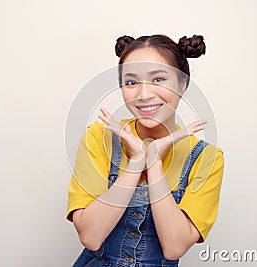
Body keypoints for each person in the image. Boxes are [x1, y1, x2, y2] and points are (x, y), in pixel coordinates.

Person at [66, 34, 225, 267]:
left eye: (158, 79)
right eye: (131, 82)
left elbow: (174, 247)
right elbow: (90, 236)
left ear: (182, 84)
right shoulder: (99, 138)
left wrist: (154, 163)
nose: (143, 94)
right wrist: (137, 160)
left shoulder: (206, 158)